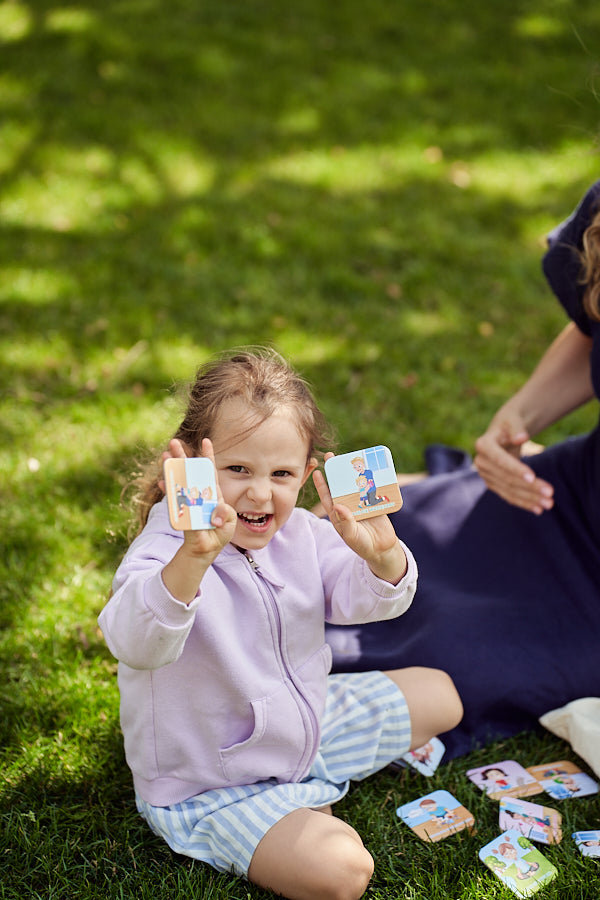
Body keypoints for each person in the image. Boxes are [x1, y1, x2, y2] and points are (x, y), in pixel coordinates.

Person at [98, 349, 462, 900]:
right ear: (192, 465)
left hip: (305, 731)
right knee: (343, 870)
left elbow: (371, 600)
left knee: (443, 696)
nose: (260, 493)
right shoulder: (167, 548)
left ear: (307, 474)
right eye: (238, 470)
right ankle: (297, 808)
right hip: (212, 781)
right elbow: (135, 643)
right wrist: (193, 559)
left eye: (282, 474)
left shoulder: (302, 535)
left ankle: (304, 793)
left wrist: (382, 554)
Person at [325, 179, 600, 761]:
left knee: (459, 657)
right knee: (381, 544)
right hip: (569, 498)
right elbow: (591, 327)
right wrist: (518, 417)